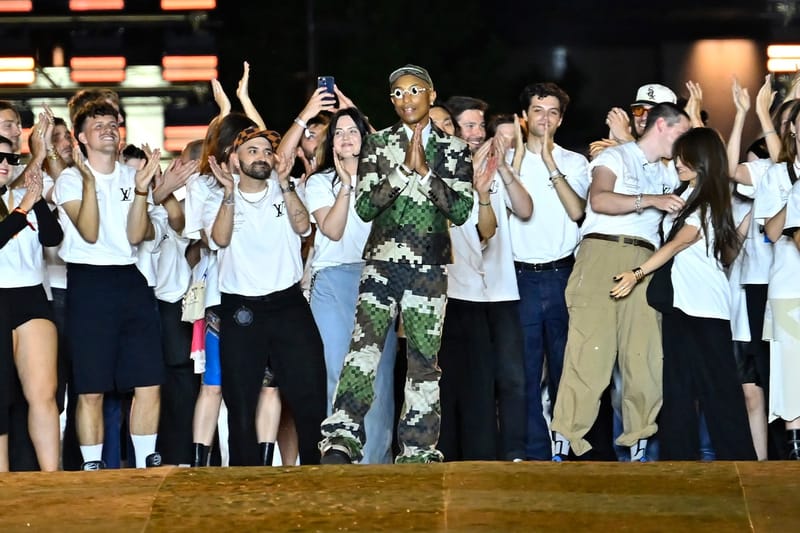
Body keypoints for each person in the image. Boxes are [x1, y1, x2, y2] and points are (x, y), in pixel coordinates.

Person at [319, 64, 474, 464]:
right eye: (399, 93)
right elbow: (365, 207)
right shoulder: (377, 144)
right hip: (381, 265)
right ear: (392, 101)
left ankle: (418, 450)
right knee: (363, 350)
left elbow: (461, 210)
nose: (407, 99)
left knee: (423, 362)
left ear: (431, 95)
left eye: (415, 90)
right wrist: (403, 170)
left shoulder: (455, 149)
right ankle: (342, 438)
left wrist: (425, 174)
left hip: (429, 268)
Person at [550, 102, 691, 461]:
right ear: (662, 126)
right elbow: (598, 200)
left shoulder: (670, 171)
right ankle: (565, 441)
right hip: (601, 251)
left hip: (645, 261)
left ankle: (640, 442)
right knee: (589, 351)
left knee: (644, 355)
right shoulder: (616, 157)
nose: (686, 140)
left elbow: (714, 167)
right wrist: (651, 200)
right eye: (682, 131)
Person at [610, 127, 756, 460]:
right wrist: (623, 141)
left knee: (719, 391)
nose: (677, 162)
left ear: (702, 161)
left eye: (685, 157)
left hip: (706, 308)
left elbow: (678, 244)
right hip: (681, 306)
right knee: (678, 388)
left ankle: (740, 464)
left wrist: (636, 273)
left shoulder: (707, 203)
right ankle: (679, 462)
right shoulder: (688, 195)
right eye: (677, 156)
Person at [53, 99, 165, 470]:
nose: (107, 130)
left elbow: (135, 235)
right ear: (82, 138)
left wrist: (143, 190)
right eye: (97, 126)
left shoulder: (132, 176)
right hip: (89, 281)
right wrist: (89, 182)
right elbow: (89, 231)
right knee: (92, 387)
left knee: (148, 380)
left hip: (130, 278)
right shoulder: (70, 179)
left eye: (112, 125)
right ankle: (92, 467)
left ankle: (146, 465)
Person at [204, 126, 326, 466]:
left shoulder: (286, 188)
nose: (261, 157)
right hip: (240, 308)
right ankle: (245, 478)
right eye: (252, 151)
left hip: (288, 304)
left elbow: (304, 228)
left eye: (267, 151)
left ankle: (318, 474)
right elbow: (219, 240)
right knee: (241, 402)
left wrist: (286, 185)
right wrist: (230, 193)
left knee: (309, 394)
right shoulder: (218, 196)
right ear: (235, 159)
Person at [508, 82, 589, 460]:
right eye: (537, 111)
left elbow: (578, 211)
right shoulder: (508, 161)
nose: (545, 118)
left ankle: (567, 447)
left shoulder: (575, 163)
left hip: (563, 274)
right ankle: (535, 452)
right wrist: (518, 160)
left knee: (566, 367)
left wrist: (550, 162)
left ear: (561, 120)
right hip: (519, 276)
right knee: (524, 372)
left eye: (552, 112)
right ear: (524, 117)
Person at [0, 127, 63, 472]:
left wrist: (35, 198)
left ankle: (52, 479)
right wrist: (23, 208)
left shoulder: (23, 195)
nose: (5, 164)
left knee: (43, 393)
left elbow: (52, 238)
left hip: (31, 296)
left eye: (11, 158)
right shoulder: (20, 203)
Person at [756, 99, 800, 459]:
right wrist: (795, 196)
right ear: (794, 129)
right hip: (788, 286)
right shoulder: (776, 175)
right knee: (791, 369)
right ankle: (795, 447)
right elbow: (771, 232)